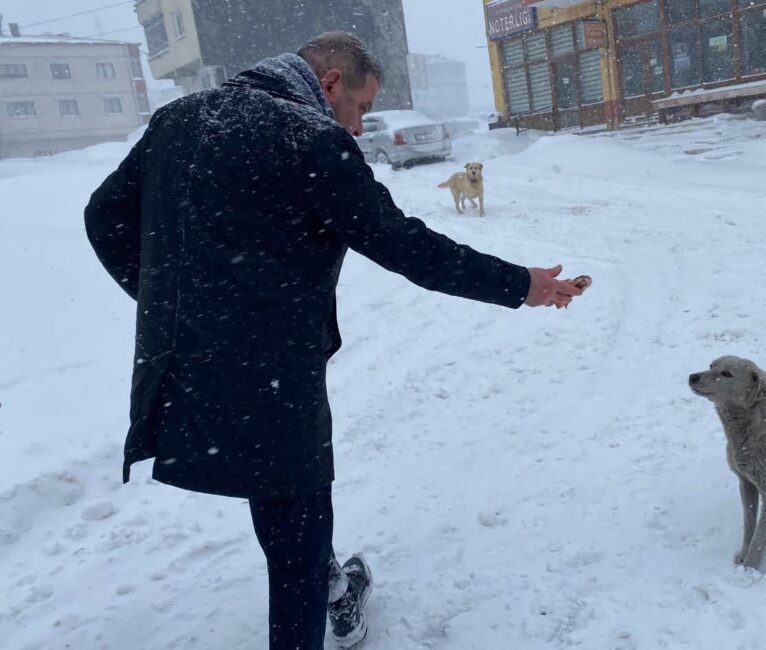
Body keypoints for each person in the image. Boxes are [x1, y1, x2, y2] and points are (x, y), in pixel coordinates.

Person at [83, 31, 584, 649]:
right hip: (272, 370)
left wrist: (178, 310)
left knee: (273, 485)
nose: (357, 125)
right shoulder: (308, 138)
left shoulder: (181, 117)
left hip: (193, 359)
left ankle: (332, 584)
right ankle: (321, 598)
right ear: (329, 85)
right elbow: (405, 246)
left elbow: (103, 215)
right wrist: (520, 285)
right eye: (363, 107)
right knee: (295, 515)